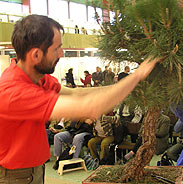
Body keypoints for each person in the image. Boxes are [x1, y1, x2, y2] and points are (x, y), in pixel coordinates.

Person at [0, 14, 158, 183]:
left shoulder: (37, 77)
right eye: (57, 48)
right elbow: (89, 107)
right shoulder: (15, 92)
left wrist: (125, 83)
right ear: (36, 55)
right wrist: (136, 77)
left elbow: (77, 93)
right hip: (17, 175)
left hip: (31, 170)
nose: (61, 53)